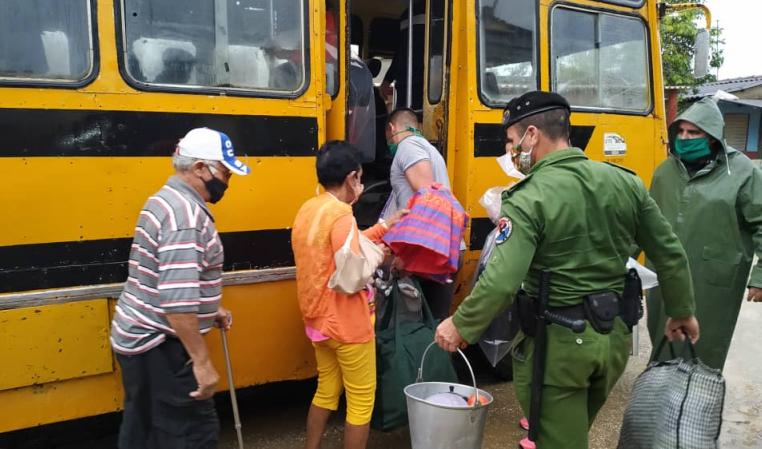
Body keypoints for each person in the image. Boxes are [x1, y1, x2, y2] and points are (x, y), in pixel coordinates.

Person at [434, 91, 699, 449]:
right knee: (568, 434)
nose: (511, 152)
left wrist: (461, 324)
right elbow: (670, 253)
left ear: (532, 135)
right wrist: (682, 311)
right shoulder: (624, 182)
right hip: (614, 341)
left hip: (559, 349)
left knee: (560, 440)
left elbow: (502, 280)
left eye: (512, 142)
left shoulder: (529, 197)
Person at [110, 127, 250, 449]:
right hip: (159, 344)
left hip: (141, 339)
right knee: (191, 434)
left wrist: (208, 307)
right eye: (224, 172)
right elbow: (176, 301)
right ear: (200, 168)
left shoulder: (165, 199)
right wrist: (201, 362)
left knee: (145, 430)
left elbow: (166, 276)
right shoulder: (185, 217)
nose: (226, 182)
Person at [291, 141, 406, 449]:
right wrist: (383, 256)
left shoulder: (309, 208)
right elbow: (354, 272)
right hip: (347, 324)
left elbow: (340, 246)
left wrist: (384, 226)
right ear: (351, 178)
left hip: (317, 322)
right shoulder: (342, 214)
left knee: (326, 390)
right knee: (360, 401)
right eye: (359, 178)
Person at [647, 97, 762, 371]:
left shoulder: (742, 172)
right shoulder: (665, 172)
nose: (685, 138)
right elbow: (643, 221)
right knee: (663, 341)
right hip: (664, 275)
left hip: (714, 280)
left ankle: (696, 406)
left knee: (704, 350)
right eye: (681, 132)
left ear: (711, 137)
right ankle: (660, 401)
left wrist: (760, 277)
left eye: (694, 132)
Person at [381, 108, 460, 319]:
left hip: (426, 255)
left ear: (392, 129)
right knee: (433, 325)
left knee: (417, 328)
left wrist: (407, 256)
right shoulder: (428, 149)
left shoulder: (408, 146)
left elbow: (428, 199)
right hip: (438, 250)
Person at [380, 0, 425, 111]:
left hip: (426, 84)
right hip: (404, 82)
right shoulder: (406, 14)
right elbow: (401, 51)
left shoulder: (439, 9)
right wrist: (387, 79)